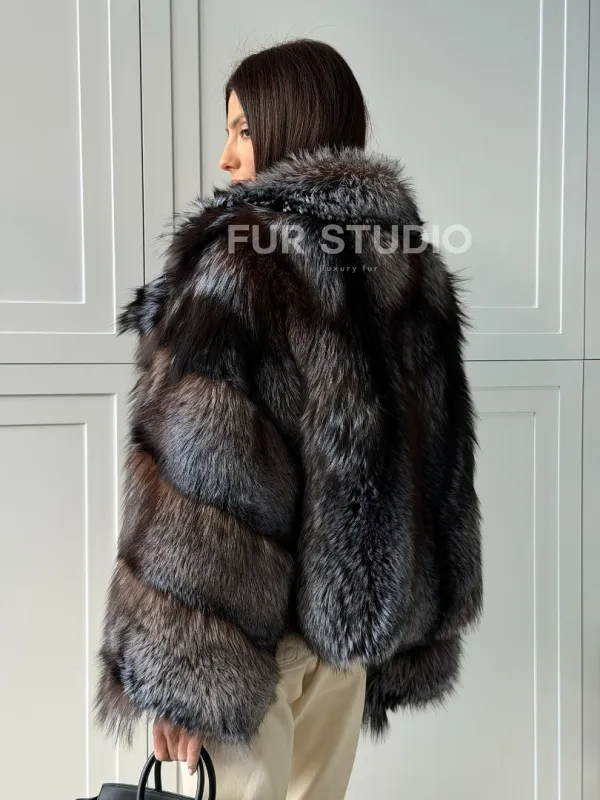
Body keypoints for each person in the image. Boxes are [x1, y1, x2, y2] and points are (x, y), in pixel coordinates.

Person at [93, 38, 483, 800]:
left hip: (252, 647)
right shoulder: (408, 265)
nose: (226, 157)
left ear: (288, 125)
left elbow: (210, 478)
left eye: (242, 130)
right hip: (344, 645)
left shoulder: (244, 262)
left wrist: (184, 677)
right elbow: (439, 467)